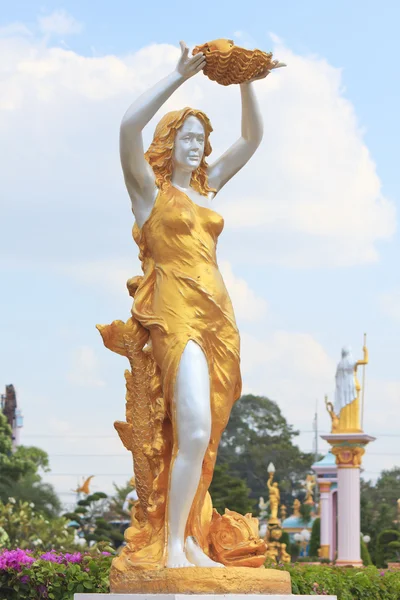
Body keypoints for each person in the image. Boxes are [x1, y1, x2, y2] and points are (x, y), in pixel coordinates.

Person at [105, 40, 274, 570]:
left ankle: (190, 541)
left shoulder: (208, 188)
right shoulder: (149, 195)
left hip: (218, 316)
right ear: (170, 142)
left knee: (205, 436)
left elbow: (252, 137)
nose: (199, 145)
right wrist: (180, 77)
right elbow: (127, 128)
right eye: (189, 136)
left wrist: (246, 76)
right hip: (173, 312)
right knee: (193, 427)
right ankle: (171, 547)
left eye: (203, 138)